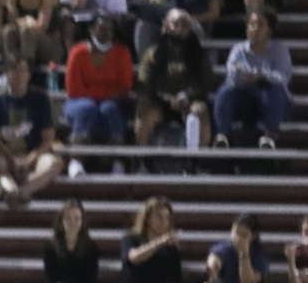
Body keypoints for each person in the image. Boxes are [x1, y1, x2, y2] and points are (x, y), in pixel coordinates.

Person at [62, 16, 133, 175]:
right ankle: (76, 160)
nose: (105, 34)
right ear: (91, 30)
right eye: (101, 29)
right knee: (87, 108)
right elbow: (73, 89)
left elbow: (125, 87)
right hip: (78, 102)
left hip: (112, 103)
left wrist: (96, 93)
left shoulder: (122, 53)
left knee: (110, 109)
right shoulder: (78, 52)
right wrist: (104, 93)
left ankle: (117, 161)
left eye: (109, 30)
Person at [0, 61, 61, 208]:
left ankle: (21, 191)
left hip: (34, 154)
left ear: (29, 75)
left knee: (53, 164)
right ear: (6, 74)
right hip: (7, 155)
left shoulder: (40, 100)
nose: (18, 74)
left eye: (22, 70)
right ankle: (11, 189)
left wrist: (30, 158)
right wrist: (12, 159)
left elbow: (48, 138)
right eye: (14, 70)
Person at [134, 9, 213, 149]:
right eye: (176, 23)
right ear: (165, 26)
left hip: (189, 102)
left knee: (200, 110)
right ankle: (142, 160)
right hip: (160, 102)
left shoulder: (199, 54)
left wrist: (185, 97)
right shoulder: (152, 54)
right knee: (144, 112)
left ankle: (199, 160)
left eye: (185, 24)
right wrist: (166, 99)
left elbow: (204, 84)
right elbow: (145, 84)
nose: (181, 28)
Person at [213, 10, 290, 149]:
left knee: (275, 90)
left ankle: (269, 136)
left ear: (269, 31)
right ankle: (222, 135)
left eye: (260, 25)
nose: (255, 29)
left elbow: (283, 77)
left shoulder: (279, 49)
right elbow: (231, 73)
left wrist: (262, 76)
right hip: (244, 95)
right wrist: (243, 76)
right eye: (252, 24)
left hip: (268, 97)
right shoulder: (239, 49)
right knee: (225, 90)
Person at [205, 213, 270, 283]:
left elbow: (247, 281)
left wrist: (243, 254)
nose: (238, 239)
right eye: (236, 233)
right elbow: (214, 261)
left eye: (243, 235)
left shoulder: (259, 254)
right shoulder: (223, 248)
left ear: (253, 236)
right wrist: (213, 267)